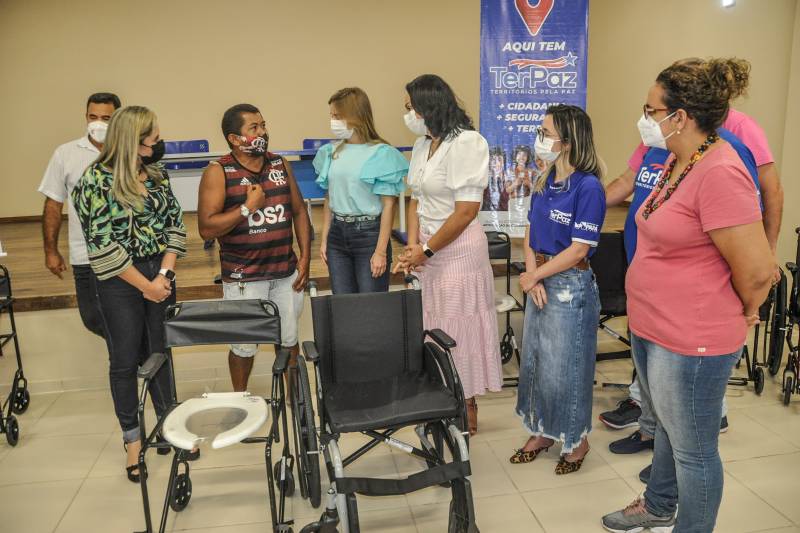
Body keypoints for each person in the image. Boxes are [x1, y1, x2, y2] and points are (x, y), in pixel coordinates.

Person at [601, 58, 774, 533]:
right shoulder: (679, 160)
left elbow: (758, 271)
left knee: (694, 451)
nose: (645, 118)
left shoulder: (720, 171)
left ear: (680, 117)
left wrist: (744, 310)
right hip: (655, 325)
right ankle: (658, 504)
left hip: (692, 337)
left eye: (650, 109)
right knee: (665, 432)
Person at [72, 106, 186, 482]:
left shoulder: (156, 174)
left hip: (160, 272)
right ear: (133, 141)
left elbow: (175, 224)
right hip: (119, 279)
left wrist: (165, 274)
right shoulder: (94, 181)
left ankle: (170, 423)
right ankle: (133, 441)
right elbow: (103, 246)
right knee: (123, 360)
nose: (158, 140)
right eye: (152, 135)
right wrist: (147, 285)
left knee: (160, 351)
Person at [393, 74, 502, 435]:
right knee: (431, 324)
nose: (408, 114)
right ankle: (439, 396)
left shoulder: (468, 143)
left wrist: (425, 249)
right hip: (427, 247)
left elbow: (466, 211)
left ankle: (465, 404)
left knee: (459, 328)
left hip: (457, 251)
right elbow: (416, 199)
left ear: (430, 106)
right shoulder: (424, 144)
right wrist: (413, 245)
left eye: (411, 108)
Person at [510, 105, 606, 475]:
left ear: (567, 142)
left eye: (546, 132)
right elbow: (531, 230)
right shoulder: (545, 179)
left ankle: (576, 441)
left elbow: (579, 249)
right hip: (542, 276)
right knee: (535, 361)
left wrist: (536, 276)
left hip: (570, 284)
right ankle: (541, 431)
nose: (540, 138)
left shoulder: (589, 186)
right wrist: (532, 270)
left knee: (567, 367)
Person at [197, 103, 311, 392]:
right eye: (254, 128)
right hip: (244, 278)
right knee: (244, 347)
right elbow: (207, 228)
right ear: (234, 139)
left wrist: (306, 258)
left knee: (288, 339)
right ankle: (240, 398)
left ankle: (295, 402)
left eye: (263, 125)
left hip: (285, 272)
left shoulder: (279, 164)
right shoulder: (218, 172)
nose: (263, 132)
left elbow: (298, 211)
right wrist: (247, 208)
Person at [40, 92, 121, 337]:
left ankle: (127, 363)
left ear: (117, 118)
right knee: (93, 318)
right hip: (85, 254)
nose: (98, 123)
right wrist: (51, 250)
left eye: (106, 118)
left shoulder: (130, 152)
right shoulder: (66, 153)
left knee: (125, 317)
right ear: (85, 117)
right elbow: (53, 204)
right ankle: (132, 358)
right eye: (92, 116)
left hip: (127, 254)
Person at [314, 87, 408, 294]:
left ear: (355, 116)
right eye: (331, 116)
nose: (333, 122)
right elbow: (329, 197)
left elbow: (388, 205)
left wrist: (381, 251)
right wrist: (325, 240)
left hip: (369, 236)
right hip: (337, 236)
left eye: (337, 116)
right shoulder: (330, 152)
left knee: (370, 307)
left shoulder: (381, 154)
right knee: (343, 305)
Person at [481, 146, 510, 211]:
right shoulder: (485, 180)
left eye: (499, 159)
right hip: (487, 216)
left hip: (505, 216)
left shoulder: (509, 180)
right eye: (493, 160)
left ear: (504, 162)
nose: (497, 164)